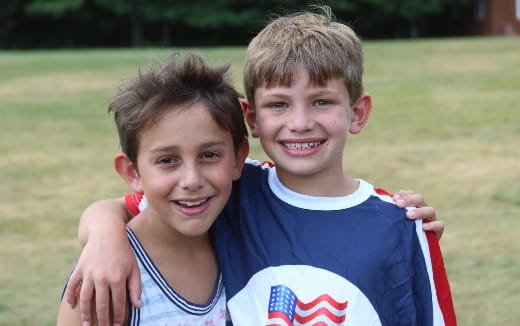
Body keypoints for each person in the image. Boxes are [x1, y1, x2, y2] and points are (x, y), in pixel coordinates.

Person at [65, 6, 455, 326]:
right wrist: (104, 237)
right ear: (250, 118)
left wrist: (405, 224)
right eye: (278, 104)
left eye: (321, 101)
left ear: (358, 112)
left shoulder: (401, 226)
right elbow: (122, 206)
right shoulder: (232, 188)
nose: (300, 122)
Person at [57, 53, 249, 325]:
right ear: (132, 172)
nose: (191, 180)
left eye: (209, 155)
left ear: (238, 159)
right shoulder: (106, 282)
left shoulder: (241, 235)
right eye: (167, 160)